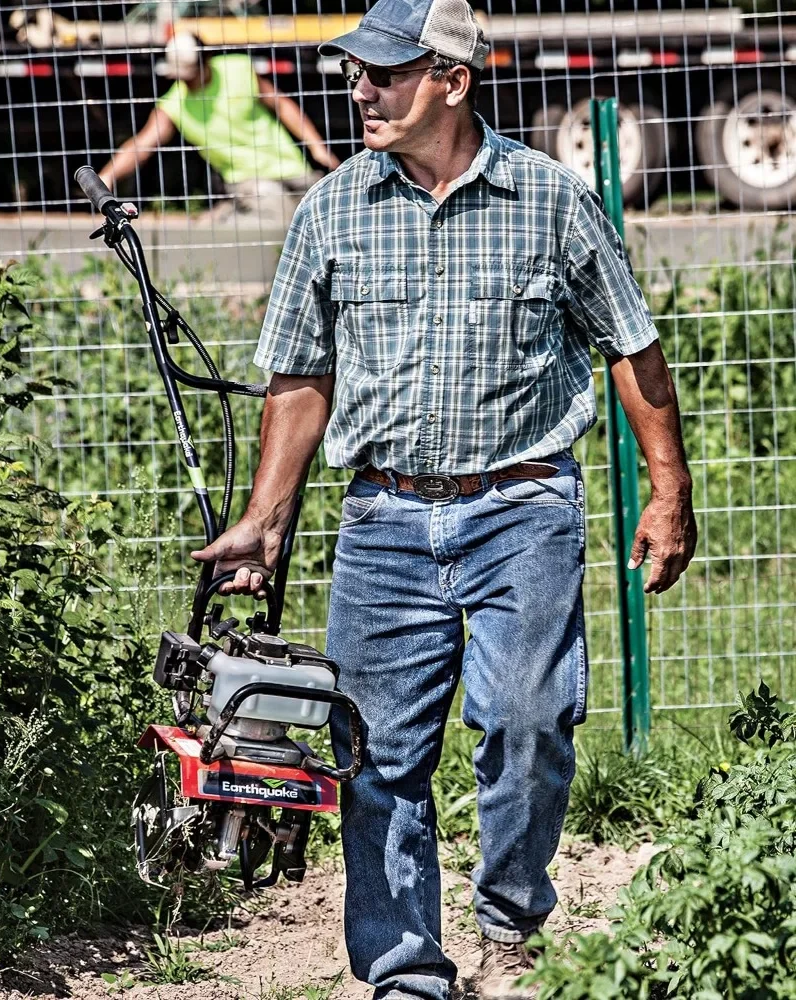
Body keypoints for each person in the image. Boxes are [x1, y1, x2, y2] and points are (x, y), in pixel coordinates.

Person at [191, 0, 697, 997]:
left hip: (523, 506)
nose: (359, 89)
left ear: (451, 82)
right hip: (380, 517)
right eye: (356, 73)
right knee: (373, 754)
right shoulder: (332, 209)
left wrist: (668, 491)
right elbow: (298, 381)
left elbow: (632, 348)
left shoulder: (550, 199)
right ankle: (403, 971)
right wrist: (265, 516)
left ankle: (510, 923)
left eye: (383, 73)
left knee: (525, 722)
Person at [97, 32, 340, 222]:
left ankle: (226, 212)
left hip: (290, 165)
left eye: (191, 74)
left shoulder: (237, 69)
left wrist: (317, 147)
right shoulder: (174, 104)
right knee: (282, 216)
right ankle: (227, 214)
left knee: (327, 209)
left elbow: (281, 105)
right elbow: (142, 144)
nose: (186, 81)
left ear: (206, 61)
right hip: (249, 180)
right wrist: (106, 176)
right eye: (180, 76)